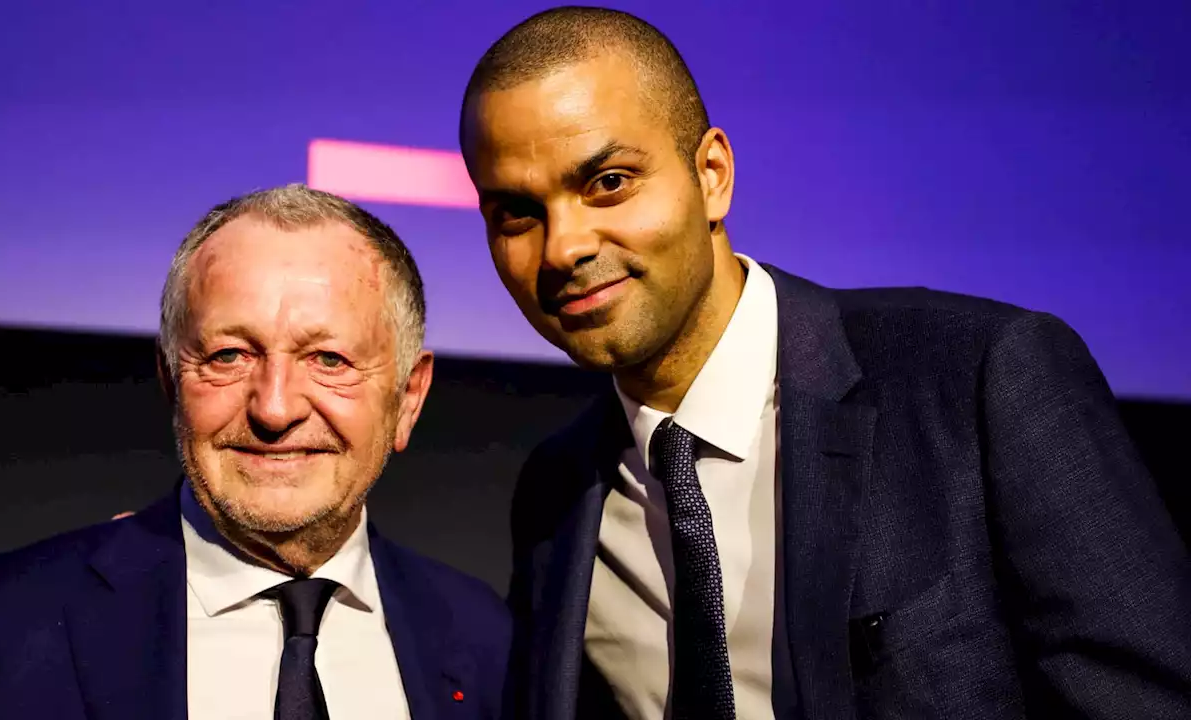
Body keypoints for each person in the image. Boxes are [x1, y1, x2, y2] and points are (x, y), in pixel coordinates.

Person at [458, 7, 1191, 719]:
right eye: (516, 214)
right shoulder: (558, 492)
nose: (563, 247)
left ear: (712, 174)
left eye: (608, 183)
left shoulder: (979, 380)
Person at [0, 185, 510, 719]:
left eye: (330, 360)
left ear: (408, 397)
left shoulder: (492, 644)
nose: (275, 409)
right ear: (171, 379)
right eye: (229, 356)